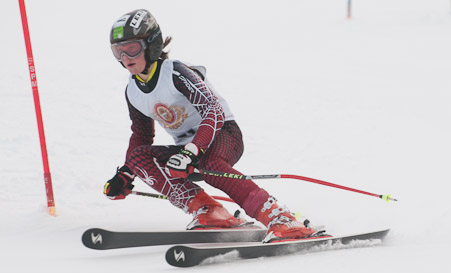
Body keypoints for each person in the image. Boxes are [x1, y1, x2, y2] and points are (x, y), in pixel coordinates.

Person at [103, 9, 318, 243]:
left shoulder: (175, 72)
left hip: (223, 134)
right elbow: (141, 135)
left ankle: (282, 219)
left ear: (151, 44)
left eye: (132, 48)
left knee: (210, 163)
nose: (125, 57)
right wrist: (125, 173)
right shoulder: (133, 90)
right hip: (188, 150)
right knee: (139, 157)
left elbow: (212, 111)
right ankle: (210, 211)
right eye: (118, 51)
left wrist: (191, 152)